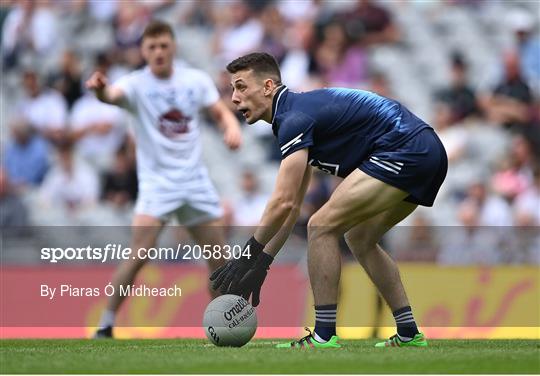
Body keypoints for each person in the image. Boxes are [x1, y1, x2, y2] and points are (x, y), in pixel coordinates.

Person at [211, 52, 447, 349]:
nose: (234, 97)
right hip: (425, 150)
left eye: (241, 86)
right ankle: (409, 332)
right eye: (232, 89)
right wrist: (264, 263)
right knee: (359, 237)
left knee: (320, 226)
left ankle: (323, 334)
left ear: (268, 86)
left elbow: (282, 201)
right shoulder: (298, 113)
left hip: (406, 149)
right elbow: (293, 206)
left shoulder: (293, 119)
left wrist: (249, 254)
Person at [85, 20, 242, 338]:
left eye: (163, 45)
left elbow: (219, 111)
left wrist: (231, 126)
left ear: (173, 47)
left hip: (194, 181)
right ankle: (106, 322)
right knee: (139, 253)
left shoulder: (194, 80)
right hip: (157, 184)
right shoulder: (135, 84)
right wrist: (101, 89)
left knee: (219, 259)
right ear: (143, 51)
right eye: (152, 47)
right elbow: (111, 95)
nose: (158, 52)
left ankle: (223, 325)